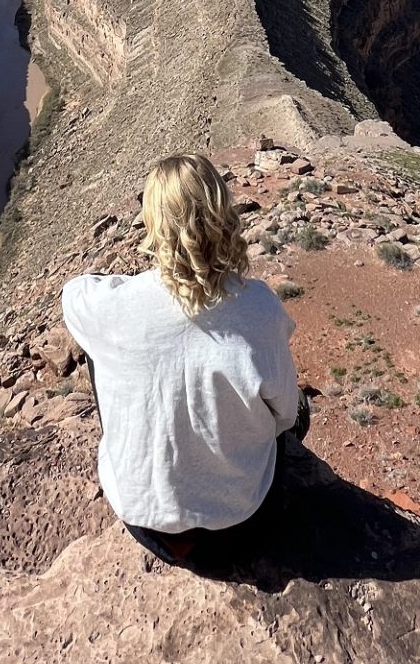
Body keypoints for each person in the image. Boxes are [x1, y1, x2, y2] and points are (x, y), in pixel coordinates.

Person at [61, 152, 306, 568]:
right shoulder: (259, 308)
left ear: (153, 225)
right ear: (222, 214)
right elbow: (284, 416)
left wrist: (131, 287)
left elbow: (73, 292)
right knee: (298, 410)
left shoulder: (114, 309)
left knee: (97, 352)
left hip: (144, 521)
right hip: (239, 523)